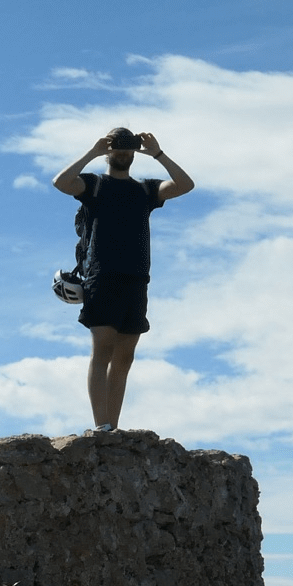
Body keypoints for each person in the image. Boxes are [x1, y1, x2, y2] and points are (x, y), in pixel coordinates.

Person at [52, 127, 194, 431]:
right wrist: (93, 152)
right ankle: (101, 425)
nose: (123, 153)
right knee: (102, 349)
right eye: (117, 147)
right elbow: (61, 182)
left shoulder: (144, 190)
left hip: (137, 279)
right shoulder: (95, 185)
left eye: (127, 148)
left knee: (125, 358)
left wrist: (157, 153)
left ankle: (112, 428)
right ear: (109, 151)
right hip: (102, 277)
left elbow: (185, 184)